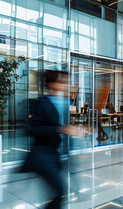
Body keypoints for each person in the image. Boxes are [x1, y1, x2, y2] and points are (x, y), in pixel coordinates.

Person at [21, 70, 82, 209]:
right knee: (59, 192)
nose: (68, 85)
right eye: (63, 82)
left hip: (55, 155)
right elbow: (33, 130)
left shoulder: (65, 102)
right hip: (43, 156)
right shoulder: (42, 103)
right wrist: (61, 129)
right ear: (52, 84)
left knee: (58, 193)